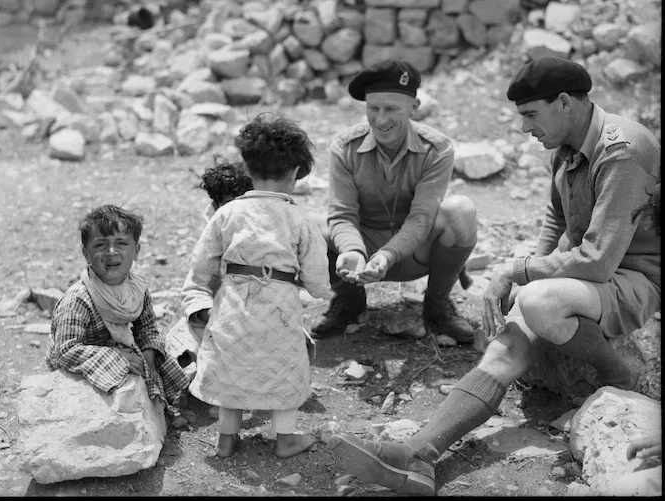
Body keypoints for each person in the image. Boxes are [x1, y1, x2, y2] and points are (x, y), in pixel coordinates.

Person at [326, 56, 661, 495]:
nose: (524, 128)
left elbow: (598, 259)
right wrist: (527, 276)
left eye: (530, 115)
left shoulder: (623, 150)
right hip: (581, 279)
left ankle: (618, 376)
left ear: (564, 102)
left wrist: (517, 271)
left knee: (541, 303)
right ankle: (420, 452)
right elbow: (555, 223)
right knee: (504, 350)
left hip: (632, 278)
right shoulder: (565, 145)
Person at [181, 113, 330, 459]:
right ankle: (286, 439)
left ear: (247, 169)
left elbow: (201, 265)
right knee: (286, 368)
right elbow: (316, 274)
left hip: (233, 305)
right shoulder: (298, 218)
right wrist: (320, 290)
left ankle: (226, 439)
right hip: (279, 309)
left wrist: (200, 297)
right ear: (295, 172)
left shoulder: (227, 214)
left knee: (233, 367)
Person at [311, 59, 478, 342]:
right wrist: (354, 251)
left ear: (414, 107)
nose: (381, 119)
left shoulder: (436, 149)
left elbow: (422, 218)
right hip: (362, 257)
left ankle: (437, 306)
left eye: (392, 109)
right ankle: (349, 300)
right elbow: (342, 215)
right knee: (305, 224)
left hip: (416, 251)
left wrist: (387, 255)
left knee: (461, 211)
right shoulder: (345, 146)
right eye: (373, 109)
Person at [46, 205, 190, 410]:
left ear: (136, 251)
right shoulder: (78, 299)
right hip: (83, 358)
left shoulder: (136, 288)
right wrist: (119, 357)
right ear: (86, 255)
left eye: (121, 243)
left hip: (117, 346)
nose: (111, 252)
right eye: (101, 245)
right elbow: (66, 352)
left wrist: (148, 354)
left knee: (158, 357)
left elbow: (147, 328)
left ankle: (163, 402)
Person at [166, 157, 254, 369]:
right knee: (178, 347)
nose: (236, 211)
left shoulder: (265, 230)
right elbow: (196, 285)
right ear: (216, 205)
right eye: (228, 204)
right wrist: (211, 314)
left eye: (241, 202)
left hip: (260, 315)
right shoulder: (211, 237)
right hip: (217, 316)